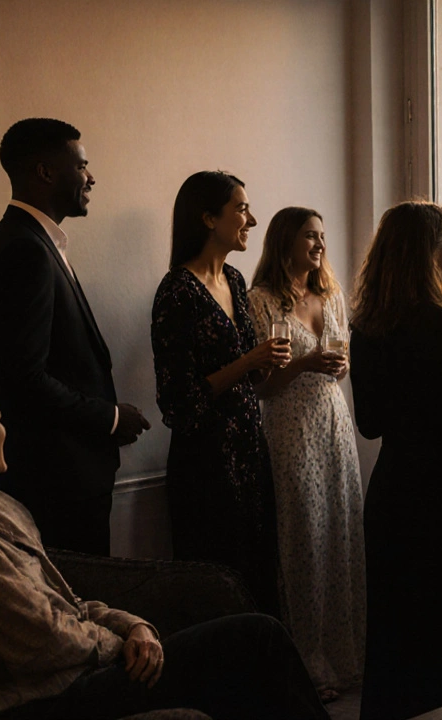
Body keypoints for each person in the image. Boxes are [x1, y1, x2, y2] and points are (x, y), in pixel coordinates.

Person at [0, 366, 328, 720]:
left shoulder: (0, 507)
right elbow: (43, 635)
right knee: (257, 638)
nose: (3, 428)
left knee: (241, 672)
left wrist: (133, 625)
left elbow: (70, 601)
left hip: (79, 672)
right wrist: (119, 646)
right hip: (43, 699)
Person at [349, 201, 442, 720]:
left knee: (393, 641)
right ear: (430, 254)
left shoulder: (366, 328)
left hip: (393, 498)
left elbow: (372, 423)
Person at [0, 118, 150, 555]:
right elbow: (23, 378)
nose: (91, 177)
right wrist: (108, 418)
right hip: (57, 483)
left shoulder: (35, 243)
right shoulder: (24, 250)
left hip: (68, 477)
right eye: (82, 165)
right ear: (45, 171)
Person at [151, 171, 286, 615]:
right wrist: (248, 362)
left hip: (249, 450)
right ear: (209, 218)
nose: (251, 218)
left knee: (259, 573)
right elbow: (176, 400)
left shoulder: (235, 278)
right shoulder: (177, 290)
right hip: (205, 462)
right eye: (241, 208)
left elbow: (248, 379)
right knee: (218, 583)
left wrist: (264, 365)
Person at [249, 207, 365, 697]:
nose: (319, 244)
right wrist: (306, 363)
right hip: (290, 425)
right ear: (284, 242)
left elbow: (339, 365)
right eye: (309, 236)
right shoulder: (260, 301)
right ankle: (305, 659)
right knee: (303, 539)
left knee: (341, 532)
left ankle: (346, 651)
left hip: (333, 422)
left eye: (322, 236)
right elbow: (264, 385)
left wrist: (330, 365)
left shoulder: (330, 296)